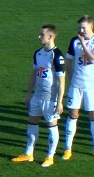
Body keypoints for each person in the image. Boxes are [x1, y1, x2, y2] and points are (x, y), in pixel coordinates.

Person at [12, 24, 65, 167]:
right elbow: (34, 74)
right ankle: (28, 153)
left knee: (52, 127)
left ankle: (50, 156)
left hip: (50, 99)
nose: (39, 36)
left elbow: (61, 81)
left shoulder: (57, 55)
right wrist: (28, 94)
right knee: (31, 124)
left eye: (42, 34)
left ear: (50, 36)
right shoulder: (38, 53)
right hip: (37, 97)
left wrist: (59, 102)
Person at [62, 15, 94, 159]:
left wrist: (83, 44)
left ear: (91, 27)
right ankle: (67, 148)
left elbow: (93, 58)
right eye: (79, 28)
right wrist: (71, 78)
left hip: (92, 85)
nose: (81, 30)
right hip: (76, 85)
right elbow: (68, 61)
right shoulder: (74, 41)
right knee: (73, 115)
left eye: (83, 27)